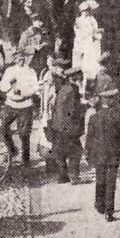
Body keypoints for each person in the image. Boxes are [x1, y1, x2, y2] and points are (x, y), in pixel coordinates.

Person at [85, 82, 120, 223]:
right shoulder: (118, 117)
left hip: (98, 155)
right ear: (111, 101)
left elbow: (89, 139)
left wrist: (88, 155)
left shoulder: (94, 118)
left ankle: (99, 204)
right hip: (114, 155)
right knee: (111, 183)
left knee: (100, 180)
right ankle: (109, 212)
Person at [42, 56, 86, 184]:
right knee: (76, 151)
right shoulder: (72, 90)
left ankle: (62, 177)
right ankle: (74, 177)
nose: (81, 81)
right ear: (75, 79)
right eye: (80, 79)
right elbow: (73, 111)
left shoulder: (64, 88)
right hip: (68, 126)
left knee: (60, 152)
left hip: (57, 126)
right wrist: (84, 108)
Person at [0, 50, 40, 166]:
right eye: (18, 58)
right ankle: (12, 151)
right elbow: (2, 86)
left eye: (22, 58)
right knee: (3, 128)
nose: (21, 60)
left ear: (25, 59)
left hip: (25, 105)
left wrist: (23, 92)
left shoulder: (30, 71)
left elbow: (35, 88)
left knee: (24, 133)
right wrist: (9, 85)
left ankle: (25, 160)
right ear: (15, 59)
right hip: (11, 104)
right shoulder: (10, 71)